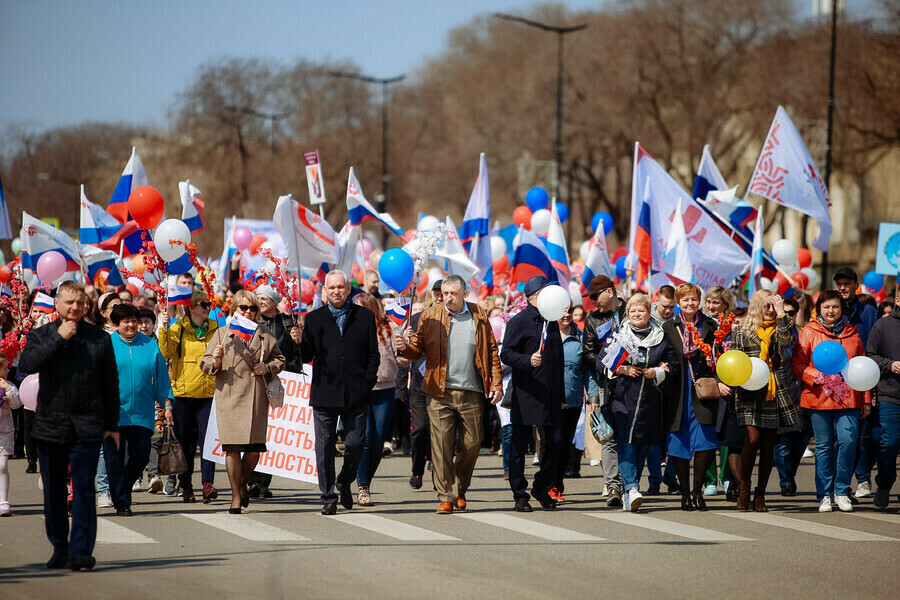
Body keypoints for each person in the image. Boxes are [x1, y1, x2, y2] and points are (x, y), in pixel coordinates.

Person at [19, 280, 119, 571]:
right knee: (53, 492)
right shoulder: (41, 335)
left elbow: (110, 383)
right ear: (58, 305)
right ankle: (59, 548)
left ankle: (80, 551)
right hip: (51, 425)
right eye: (69, 303)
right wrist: (59, 339)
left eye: (80, 303)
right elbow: (28, 364)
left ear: (87, 306)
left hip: (87, 425)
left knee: (84, 489)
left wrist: (111, 424)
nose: (75, 308)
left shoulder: (99, 339)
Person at [398, 274, 502, 513]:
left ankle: (460, 487)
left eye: (453, 293)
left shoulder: (479, 314)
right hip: (439, 390)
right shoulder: (431, 314)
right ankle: (446, 495)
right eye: (445, 293)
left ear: (465, 293)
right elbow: (416, 349)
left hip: (472, 390)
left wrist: (496, 382)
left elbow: (492, 350)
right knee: (441, 445)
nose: (448, 298)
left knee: (473, 443)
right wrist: (404, 347)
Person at [298, 270, 380, 515]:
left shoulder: (364, 317)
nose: (336, 291)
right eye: (331, 287)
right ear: (324, 290)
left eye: (340, 287)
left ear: (348, 289)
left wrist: (367, 381)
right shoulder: (313, 319)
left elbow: (373, 354)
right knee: (324, 448)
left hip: (356, 393)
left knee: (356, 443)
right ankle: (328, 497)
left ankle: (344, 480)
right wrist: (299, 341)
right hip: (325, 392)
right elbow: (306, 357)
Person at [200, 290, 285, 514]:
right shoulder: (221, 334)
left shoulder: (265, 333)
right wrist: (215, 360)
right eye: (243, 308)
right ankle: (236, 495)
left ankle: (241, 484)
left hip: (256, 398)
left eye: (253, 308)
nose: (248, 312)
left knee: (254, 451)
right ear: (234, 309)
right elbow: (206, 364)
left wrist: (268, 368)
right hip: (229, 398)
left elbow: (280, 359)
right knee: (232, 450)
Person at [793, 289, 871, 512]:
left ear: (841, 309)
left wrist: (866, 398)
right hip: (819, 398)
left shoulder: (852, 333)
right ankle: (825, 494)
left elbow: (862, 366)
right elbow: (797, 363)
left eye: (835, 306)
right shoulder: (809, 332)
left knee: (848, 441)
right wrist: (814, 376)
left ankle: (842, 490)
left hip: (849, 398)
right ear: (819, 309)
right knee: (824, 447)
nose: (831, 311)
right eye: (826, 307)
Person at [600, 294, 678, 512]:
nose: (636, 314)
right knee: (626, 442)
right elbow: (601, 363)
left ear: (648, 312)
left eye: (641, 310)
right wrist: (622, 368)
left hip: (649, 401)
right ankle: (632, 488)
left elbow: (674, 366)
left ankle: (628, 490)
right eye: (633, 311)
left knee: (642, 445)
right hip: (623, 399)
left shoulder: (660, 336)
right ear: (628, 313)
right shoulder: (619, 335)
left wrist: (657, 371)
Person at [500, 276, 565, 512]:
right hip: (526, 393)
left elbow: (559, 360)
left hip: (550, 394)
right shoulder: (519, 321)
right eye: (546, 290)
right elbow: (506, 354)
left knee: (556, 443)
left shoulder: (553, 321)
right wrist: (527, 360)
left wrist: (562, 396)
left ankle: (541, 485)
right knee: (519, 445)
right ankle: (520, 494)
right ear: (534, 295)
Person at [731, 290, 799, 512]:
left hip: (773, 391)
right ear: (757, 307)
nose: (770, 311)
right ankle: (744, 488)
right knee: (752, 440)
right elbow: (735, 359)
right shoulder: (742, 331)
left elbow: (789, 342)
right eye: (766, 306)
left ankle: (760, 494)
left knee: (769, 446)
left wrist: (782, 314)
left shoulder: (780, 328)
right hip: (749, 391)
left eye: (773, 306)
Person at [104, 304, 173, 516]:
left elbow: (162, 379)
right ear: (116, 324)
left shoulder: (151, 345)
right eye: (126, 321)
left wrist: (167, 404)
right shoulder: (107, 345)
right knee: (114, 459)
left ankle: (121, 490)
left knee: (141, 456)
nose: (132, 324)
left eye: (134, 320)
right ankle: (123, 502)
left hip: (142, 414)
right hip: (113, 415)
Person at [159, 289, 220, 503]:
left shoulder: (216, 329)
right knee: (185, 443)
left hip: (208, 394)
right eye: (203, 304)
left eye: (208, 304)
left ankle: (207, 484)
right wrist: (163, 327)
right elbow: (166, 353)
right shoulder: (178, 327)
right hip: (183, 395)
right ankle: (186, 486)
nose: (207, 308)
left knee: (208, 441)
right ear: (191, 306)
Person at [662, 283, 719, 511]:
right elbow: (661, 353)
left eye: (694, 299)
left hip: (702, 387)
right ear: (678, 302)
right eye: (685, 300)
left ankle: (698, 492)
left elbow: (721, 353)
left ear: (699, 301)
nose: (689, 303)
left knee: (705, 441)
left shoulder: (710, 325)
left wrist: (712, 360)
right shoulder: (668, 326)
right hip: (677, 389)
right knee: (679, 441)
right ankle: (684, 494)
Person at [247, 285, 302, 499]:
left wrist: (299, 340)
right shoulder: (250, 321)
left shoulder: (287, 322)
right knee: (256, 430)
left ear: (274, 301)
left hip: (281, 381)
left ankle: (264, 482)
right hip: (256, 381)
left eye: (264, 298)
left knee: (275, 434)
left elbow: (297, 354)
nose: (260, 301)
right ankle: (251, 479)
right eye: (257, 297)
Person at [833, 268, 879, 500]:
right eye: (839, 283)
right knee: (841, 437)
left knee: (863, 434)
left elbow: (873, 344)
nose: (842, 288)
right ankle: (838, 484)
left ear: (856, 285)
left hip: (863, 378)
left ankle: (863, 479)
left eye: (847, 283)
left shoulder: (869, 312)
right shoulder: (830, 310)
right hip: (833, 381)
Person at [582, 274, 625, 507]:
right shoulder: (593, 320)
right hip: (606, 384)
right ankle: (612, 486)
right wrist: (611, 361)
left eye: (596, 296)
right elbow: (587, 353)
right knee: (608, 436)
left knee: (630, 437)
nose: (593, 302)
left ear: (610, 291)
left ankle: (631, 484)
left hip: (633, 384)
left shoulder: (632, 311)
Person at [355, 293, 402, 506]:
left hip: (384, 390)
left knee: (377, 442)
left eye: (360, 307)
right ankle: (362, 486)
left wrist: (405, 345)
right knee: (364, 441)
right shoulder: (350, 328)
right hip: (361, 390)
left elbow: (404, 360)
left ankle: (366, 482)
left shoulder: (389, 328)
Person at [552, 303, 599, 503]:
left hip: (572, 402)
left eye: (569, 311)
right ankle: (545, 482)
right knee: (549, 445)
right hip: (548, 402)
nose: (566, 315)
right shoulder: (545, 337)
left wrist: (593, 396)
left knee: (563, 445)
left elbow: (588, 371)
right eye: (562, 311)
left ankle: (556, 486)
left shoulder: (580, 339)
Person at [404, 279, 442, 490]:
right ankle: (417, 469)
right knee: (419, 429)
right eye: (435, 293)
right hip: (419, 385)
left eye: (442, 293)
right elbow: (405, 355)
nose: (438, 297)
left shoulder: (452, 320)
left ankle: (438, 472)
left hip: (441, 385)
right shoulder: (417, 318)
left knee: (439, 431)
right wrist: (407, 339)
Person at [868, 291, 900, 510]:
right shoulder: (883, 325)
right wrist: (890, 365)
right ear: (897, 300)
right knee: (889, 444)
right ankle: (885, 484)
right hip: (890, 394)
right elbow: (869, 356)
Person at [0, 354, 21, 516]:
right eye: (5, 367)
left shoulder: (8, 385)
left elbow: (16, 403)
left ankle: (3, 501)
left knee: (2, 466)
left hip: (3, 432)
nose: (8, 370)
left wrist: (7, 389)